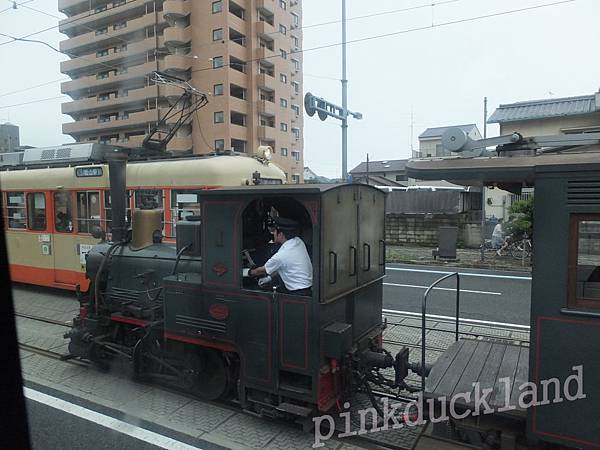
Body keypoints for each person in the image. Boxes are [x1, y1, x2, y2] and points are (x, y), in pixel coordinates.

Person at [248, 216, 312, 295]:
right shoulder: (298, 242)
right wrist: (269, 278)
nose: (273, 233)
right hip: (307, 290)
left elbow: (260, 270)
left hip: (297, 293)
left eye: (274, 231)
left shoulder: (282, 255)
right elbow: (283, 266)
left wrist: (248, 272)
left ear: (281, 234)